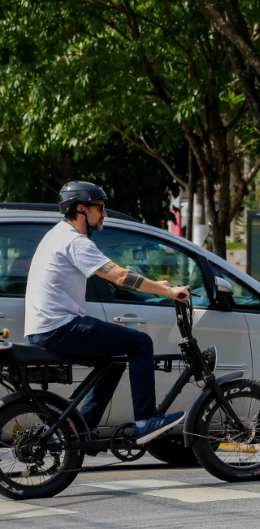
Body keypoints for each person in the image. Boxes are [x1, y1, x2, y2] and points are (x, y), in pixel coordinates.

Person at [23, 181, 190, 445]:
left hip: (46, 327)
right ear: (81, 209)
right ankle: (146, 421)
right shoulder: (74, 242)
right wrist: (166, 291)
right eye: (99, 208)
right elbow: (120, 276)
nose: (104, 214)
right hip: (59, 327)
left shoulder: (56, 234)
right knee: (140, 343)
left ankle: (82, 429)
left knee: (115, 359)